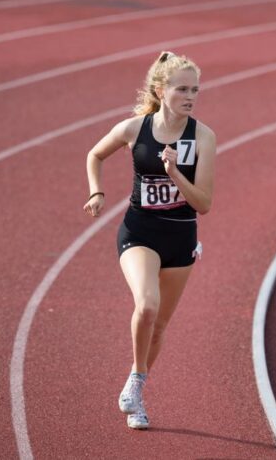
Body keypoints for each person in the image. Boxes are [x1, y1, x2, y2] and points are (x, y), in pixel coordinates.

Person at [83, 51, 216, 429]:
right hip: (140, 231)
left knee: (158, 328)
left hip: (181, 237)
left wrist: (174, 172)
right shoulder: (134, 129)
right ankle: (137, 382)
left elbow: (203, 203)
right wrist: (97, 192)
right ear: (161, 90)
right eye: (182, 89)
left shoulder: (202, 136)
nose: (190, 96)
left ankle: (136, 389)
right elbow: (95, 154)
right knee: (147, 305)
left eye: (195, 89)